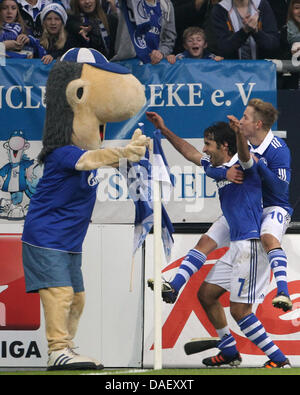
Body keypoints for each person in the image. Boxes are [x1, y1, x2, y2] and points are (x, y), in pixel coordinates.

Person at [146, 111, 291, 368]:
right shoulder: (218, 167)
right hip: (236, 246)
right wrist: (165, 130)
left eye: (209, 144)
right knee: (206, 294)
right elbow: (190, 153)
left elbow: (246, 156)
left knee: (239, 311)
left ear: (224, 146)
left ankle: (279, 360)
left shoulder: (243, 165)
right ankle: (229, 350)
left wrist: (237, 133)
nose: (204, 148)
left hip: (251, 246)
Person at [111, 0, 177, 64]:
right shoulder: (129, 2)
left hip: (153, 65)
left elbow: (169, 39)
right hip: (127, 63)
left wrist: (161, 52)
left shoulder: (166, 5)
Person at [210, 0, 280, 59]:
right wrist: (244, 31)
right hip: (232, 70)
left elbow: (273, 44)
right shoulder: (220, 9)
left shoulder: (262, 5)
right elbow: (223, 48)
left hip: (261, 69)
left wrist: (256, 32)